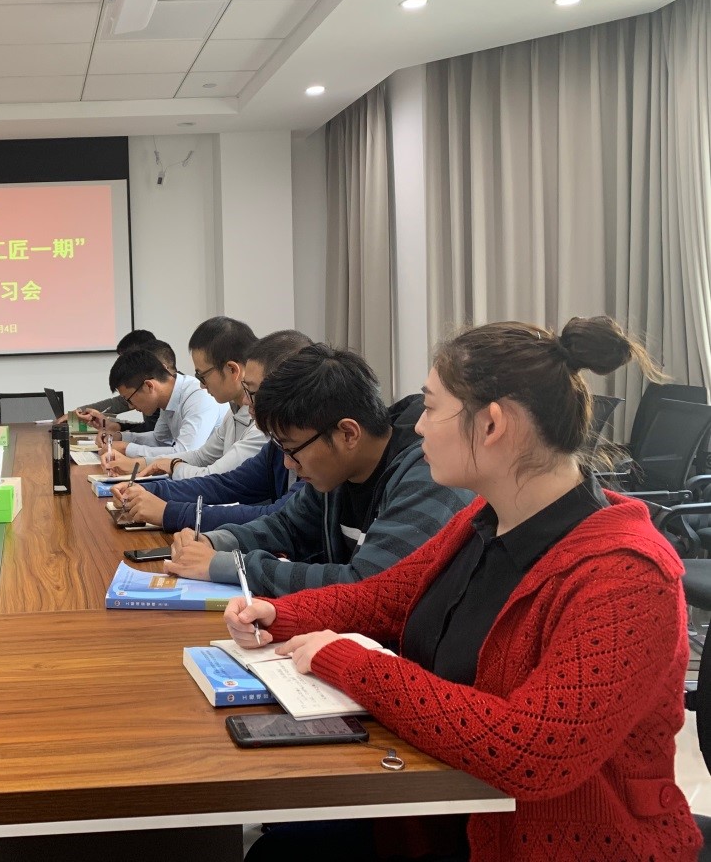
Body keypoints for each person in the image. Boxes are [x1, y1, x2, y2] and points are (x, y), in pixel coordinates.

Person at [226, 318, 700, 862]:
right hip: (437, 812)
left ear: (492, 424)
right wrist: (276, 613)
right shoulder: (483, 518)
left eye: (431, 408)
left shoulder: (628, 576)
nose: (418, 426)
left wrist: (352, 662)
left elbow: (531, 751)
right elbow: (383, 598)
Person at [167, 343, 473, 595]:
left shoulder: (428, 476)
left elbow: (366, 586)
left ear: (348, 434)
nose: (288, 463)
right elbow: (286, 526)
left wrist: (227, 565)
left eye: (292, 449)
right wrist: (214, 541)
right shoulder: (337, 474)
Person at [113, 330, 311, 530]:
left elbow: (278, 517)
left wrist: (167, 511)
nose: (245, 400)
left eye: (252, 391)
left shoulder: (295, 443)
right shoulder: (274, 444)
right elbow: (226, 484)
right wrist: (149, 490)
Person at [102, 317, 264, 478]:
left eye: (202, 376)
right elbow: (200, 457)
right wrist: (141, 463)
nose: (202, 386)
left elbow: (214, 476)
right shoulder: (233, 411)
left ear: (232, 370)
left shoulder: (260, 424)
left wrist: (168, 465)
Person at [97, 345, 223, 462]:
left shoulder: (198, 396)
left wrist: (126, 448)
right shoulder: (168, 397)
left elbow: (185, 453)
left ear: (148, 386)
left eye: (129, 399)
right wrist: (121, 437)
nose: (131, 406)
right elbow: (160, 440)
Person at [69, 329, 160, 434]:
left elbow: (155, 434)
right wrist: (79, 413)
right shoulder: (141, 389)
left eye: (127, 360)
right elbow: (151, 431)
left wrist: (118, 431)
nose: (123, 366)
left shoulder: (162, 394)